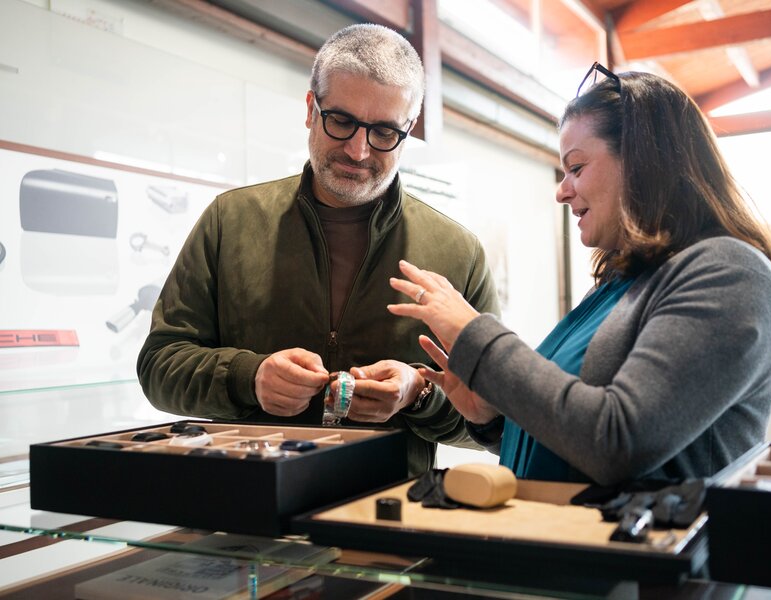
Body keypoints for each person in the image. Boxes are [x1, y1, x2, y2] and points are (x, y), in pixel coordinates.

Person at [388, 65, 771, 486]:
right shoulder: (623, 283)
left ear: (642, 162)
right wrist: (493, 420)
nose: (561, 190)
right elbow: (574, 435)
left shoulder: (729, 275)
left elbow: (619, 442)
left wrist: (477, 337)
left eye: (576, 168)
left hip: (653, 550)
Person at [137, 24, 500, 476]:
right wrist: (248, 378)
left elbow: (495, 423)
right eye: (342, 121)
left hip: (389, 522)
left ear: (407, 131)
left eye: (384, 132)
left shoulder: (458, 252)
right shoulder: (230, 220)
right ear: (311, 109)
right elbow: (158, 366)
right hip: (247, 513)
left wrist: (419, 396)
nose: (359, 150)